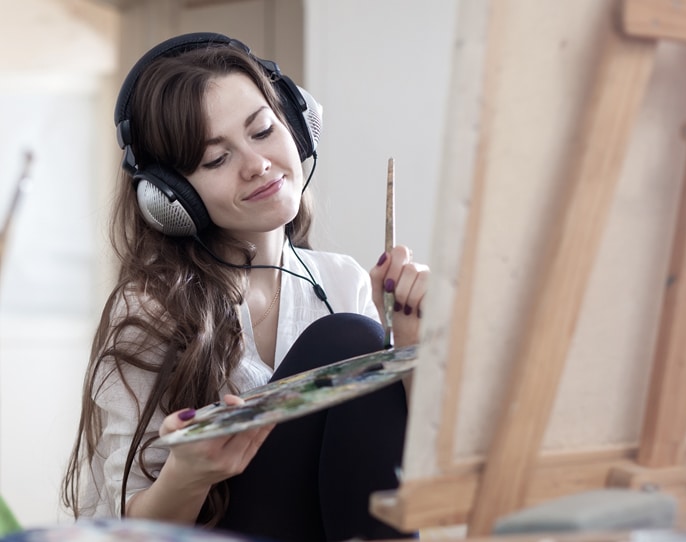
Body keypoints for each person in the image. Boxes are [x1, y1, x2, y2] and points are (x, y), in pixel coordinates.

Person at [61, 32, 429, 542]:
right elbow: (128, 532)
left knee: (358, 339)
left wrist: (411, 349)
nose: (256, 164)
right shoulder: (150, 311)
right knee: (349, 341)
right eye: (216, 160)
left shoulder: (341, 281)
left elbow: (406, 471)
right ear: (171, 197)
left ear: (297, 124)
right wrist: (190, 471)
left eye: (261, 131)